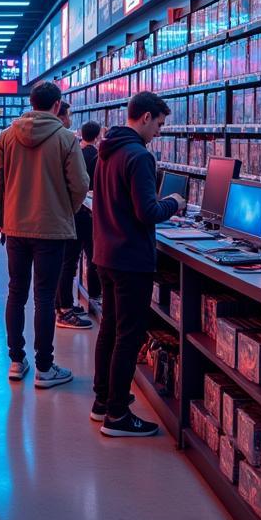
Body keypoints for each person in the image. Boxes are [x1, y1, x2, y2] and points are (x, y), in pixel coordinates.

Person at [91, 92, 186, 437]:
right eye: (159, 124)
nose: (159, 132)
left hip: (105, 253)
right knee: (128, 336)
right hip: (130, 258)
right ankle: (117, 415)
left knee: (110, 329)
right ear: (145, 117)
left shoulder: (107, 149)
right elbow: (148, 212)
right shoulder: (139, 156)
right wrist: (174, 203)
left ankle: (103, 400)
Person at [0, 81, 90, 389]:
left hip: (15, 228)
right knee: (45, 296)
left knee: (16, 292)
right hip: (52, 230)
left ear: (31, 103)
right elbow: (80, 185)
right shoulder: (66, 139)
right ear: (57, 105)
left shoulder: (7, 136)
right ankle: (45, 367)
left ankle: (17, 361)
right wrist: (65, 210)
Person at [55, 120, 102, 329]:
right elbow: (87, 184)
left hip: (71, 212)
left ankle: (64, 304)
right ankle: (92, 297)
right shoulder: (96, 156)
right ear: (98, 136)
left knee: (68, 260)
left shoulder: (73, 151)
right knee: (92, 256)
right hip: (86, 213)